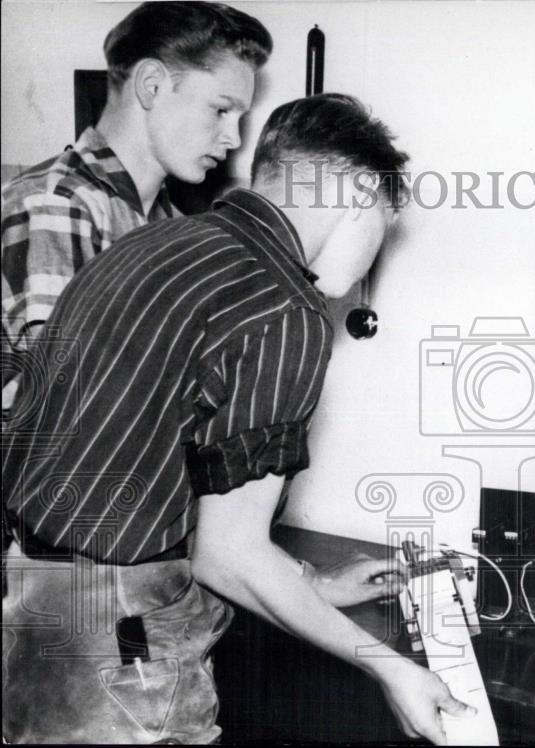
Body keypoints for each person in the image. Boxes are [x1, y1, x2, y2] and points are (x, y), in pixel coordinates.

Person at [2, 93, 473, 744]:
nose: (370, 264)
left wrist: (313, 585)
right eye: (381, 233)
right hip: (122, 654)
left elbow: (153, 472)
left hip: (31, 611)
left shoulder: (151, 244)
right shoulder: (283, 308)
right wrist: (391, 669)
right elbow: (227, 555)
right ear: (361, 196)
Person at [1, 1, 272, 407]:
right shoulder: (57, 202)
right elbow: (69, 398)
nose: (233, 138)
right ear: (152, 85)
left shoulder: (172, 223)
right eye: (221, 110)